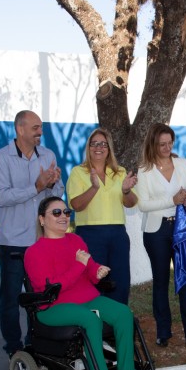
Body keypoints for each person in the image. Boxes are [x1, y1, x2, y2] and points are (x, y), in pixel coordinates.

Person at [23, 196, 146, 370]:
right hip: (53, 306)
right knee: (90, 319)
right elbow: (50, 289)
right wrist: (79, 266)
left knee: (124, 313)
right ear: (42, 219)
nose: (63, 216)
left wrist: (96, 271)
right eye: (56, 212)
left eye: (66, 212)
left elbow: (89, 269)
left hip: (87, 298)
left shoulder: (76, 240)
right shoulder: (34, 252)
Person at [0, 110, 64, 357]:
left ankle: (38, 342)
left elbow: (59, 193)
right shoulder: (2, 158)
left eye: (41, 127)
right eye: (35, 127)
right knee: (11, 299)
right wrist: (36, 186)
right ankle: (14, 348)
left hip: (42, 242)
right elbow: (2, 197)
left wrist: (53, 184)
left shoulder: (48, 155)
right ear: (20, 129)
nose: (40, 132)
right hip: (14, 243)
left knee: (43, 297)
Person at [135, 123, 186, 351]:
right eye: (161, 144)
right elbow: (143, 204)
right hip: (156, 232)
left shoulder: (183, 164)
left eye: (170, 143)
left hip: (182, 230)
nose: (166, 147)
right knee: (161, 282)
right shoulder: (144, 170)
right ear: (152, 144)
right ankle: (163, 332)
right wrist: (171, 200)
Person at [66, 128, 137, 304]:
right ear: (88, 147)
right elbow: (76, 205)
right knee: (94, 281)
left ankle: (118, 324)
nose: (99, 147)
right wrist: (94, 188)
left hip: (117, 234)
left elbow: (131, 202)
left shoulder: (119, 172)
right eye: (94, 143)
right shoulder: (78, 172)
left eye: (103, 144)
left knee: (120, 282)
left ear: (109, 148)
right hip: (90, 234)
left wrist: (126, 190)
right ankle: (96, 325)